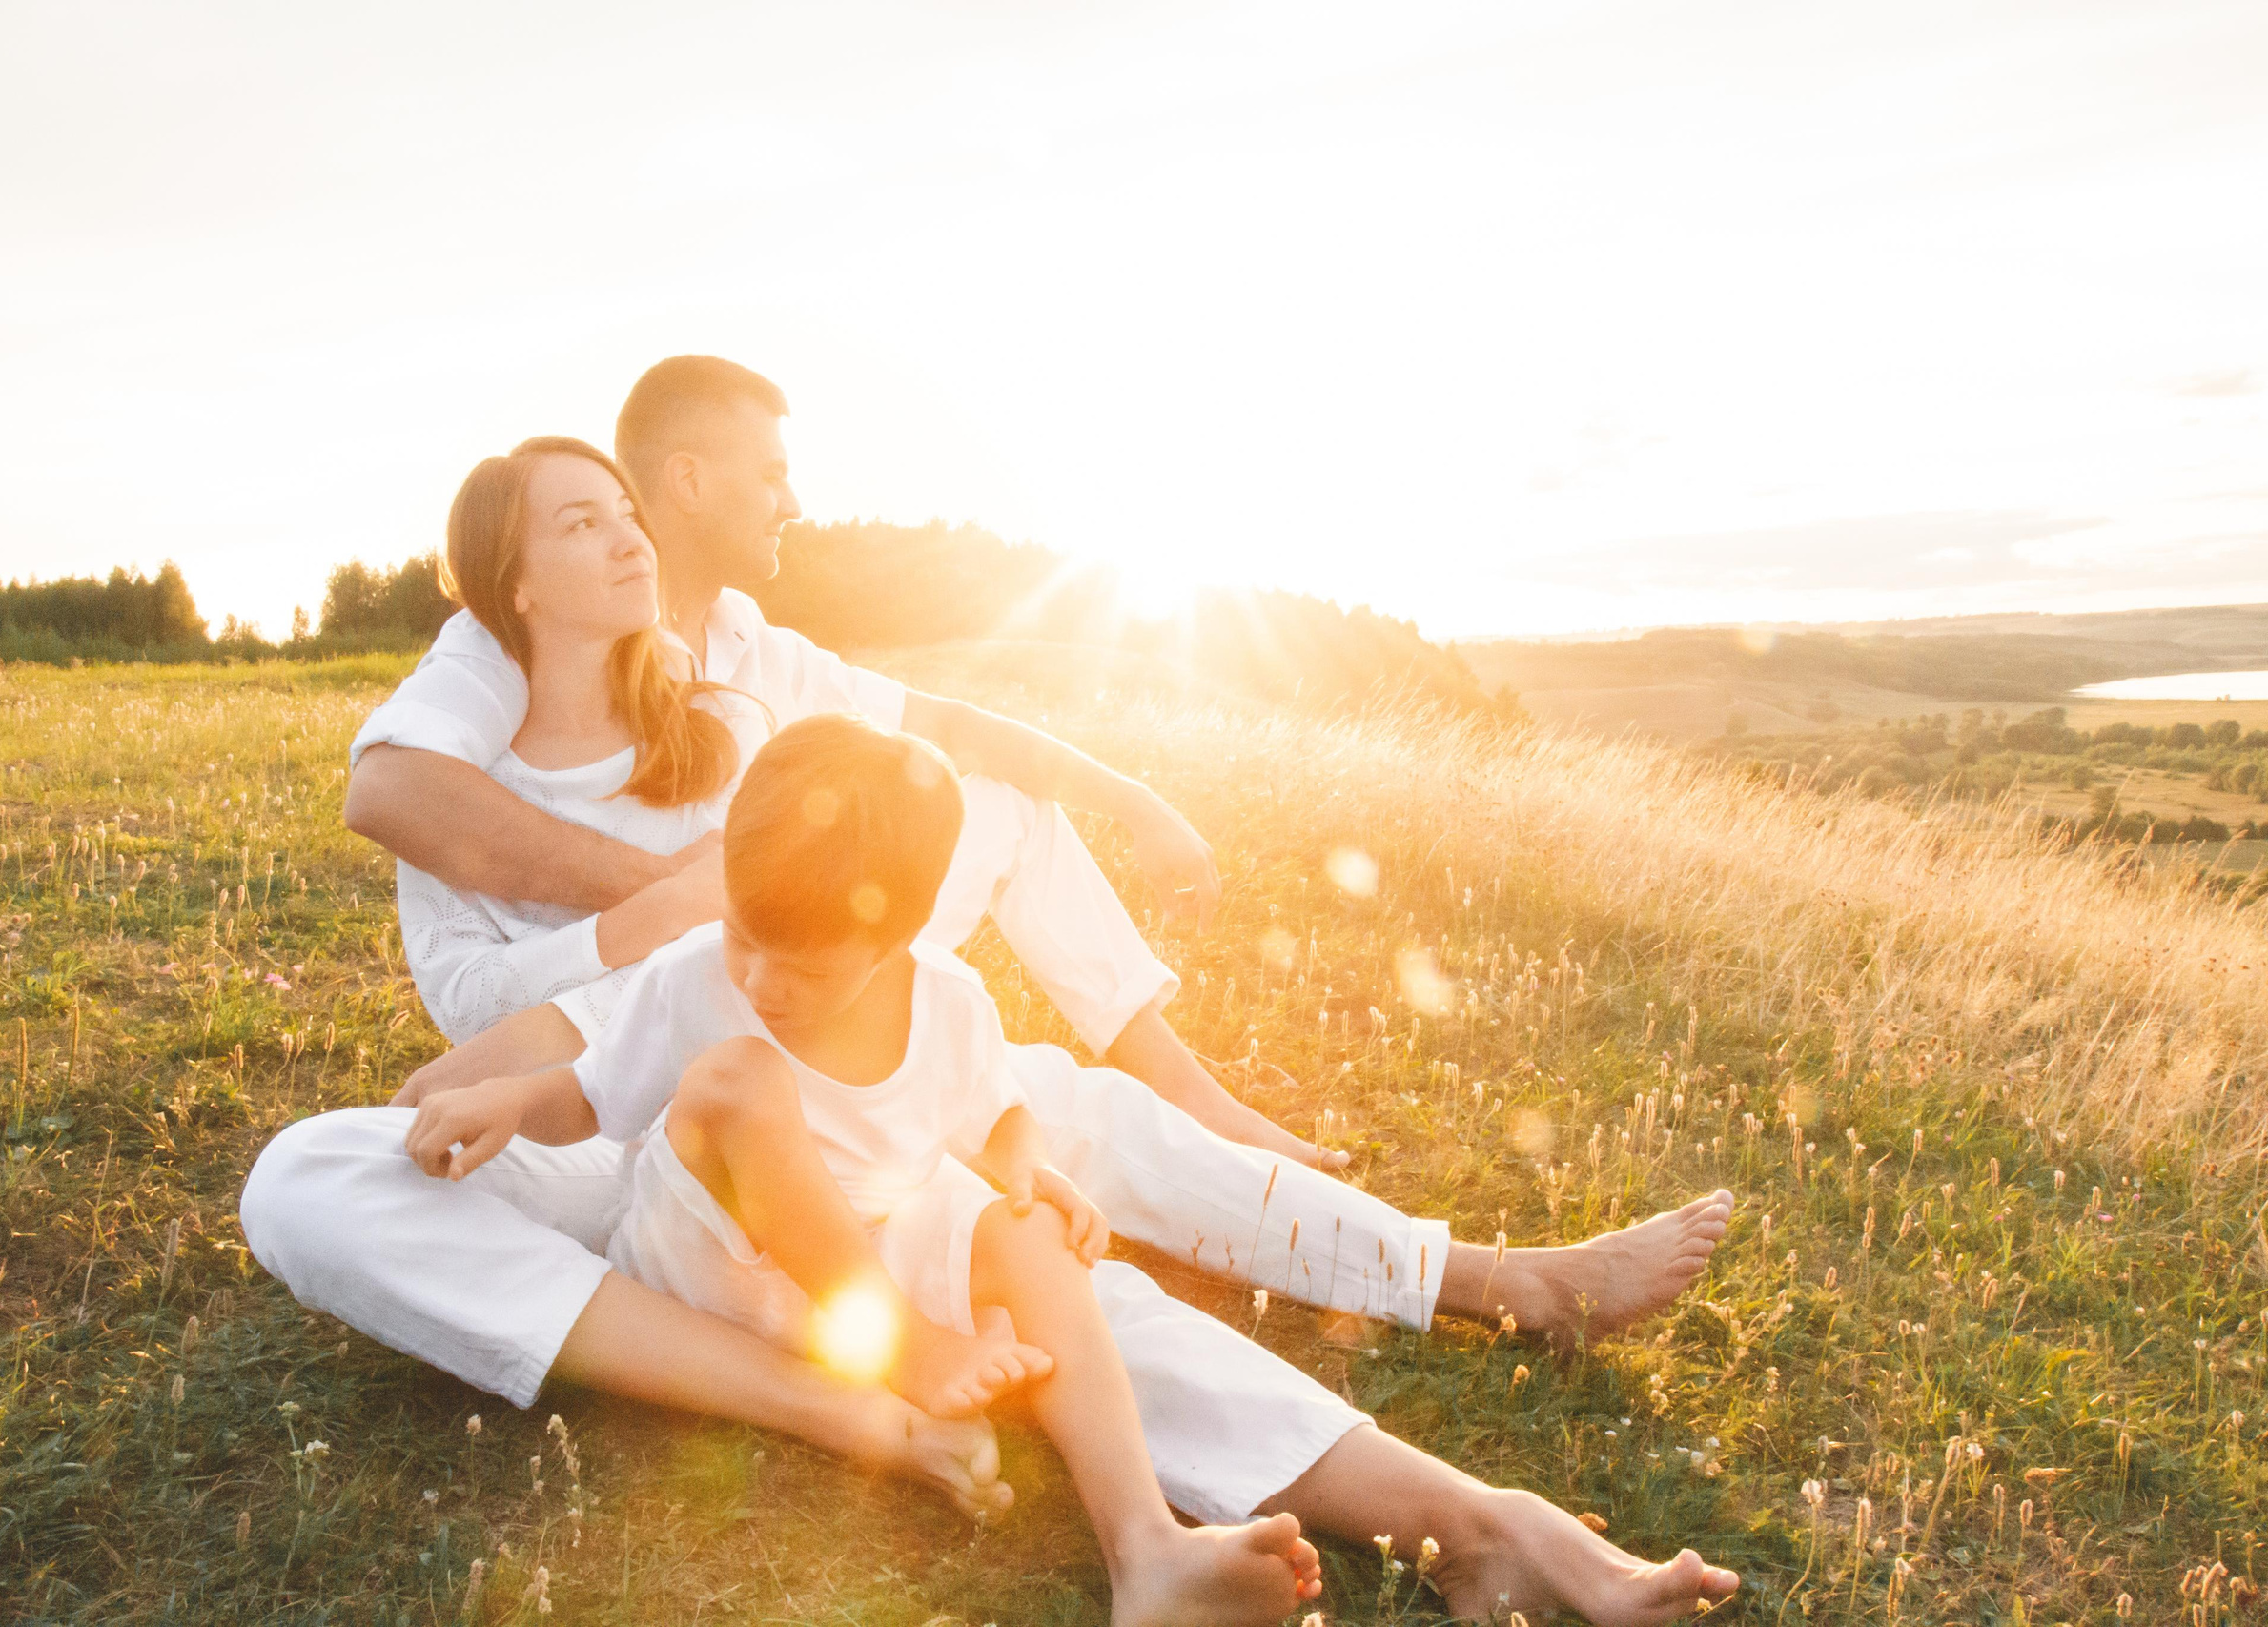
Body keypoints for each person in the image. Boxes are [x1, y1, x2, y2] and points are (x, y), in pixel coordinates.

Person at [242, 433, 1741, 1624]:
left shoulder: (738, 678)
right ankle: (859, 1404)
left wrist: (1128, 813)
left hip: (855, 1081)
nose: (632, 533)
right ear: (506, 579)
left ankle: (1464, 1484)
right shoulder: (474, 695)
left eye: (625, 506)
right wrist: (684, 913)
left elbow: (938, 755)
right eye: (581, 520)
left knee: (1047, 1234)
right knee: (309, 1171)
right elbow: (491, 991)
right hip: (648, 1095)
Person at [404, 715, 1329, 1625]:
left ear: (898, 941)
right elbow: (593, 1097)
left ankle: (1148, 1551)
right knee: (740, 1071)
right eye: (745, 939)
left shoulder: (952, 1006)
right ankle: (911, 1352)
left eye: (801, 970)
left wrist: (1028, 1172)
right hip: (701, 1263)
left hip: (854, 1264)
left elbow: (996, 1115)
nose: (761, 984)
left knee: (1031, 1229)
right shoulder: (693, 978)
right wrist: (515, 1103)